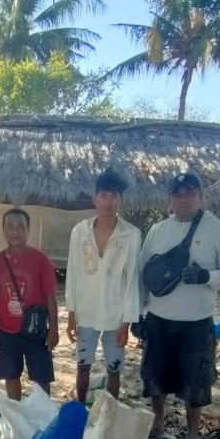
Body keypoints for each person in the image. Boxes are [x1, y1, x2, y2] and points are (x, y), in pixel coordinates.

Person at [139, 172, 220, 439]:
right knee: (155, 379)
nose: (183, 199)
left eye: (189, 192)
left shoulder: (218, 230)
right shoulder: (157, 231)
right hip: (158, 320)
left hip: (196, 323)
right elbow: (142, 275)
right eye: (177, 193)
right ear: (169, 198)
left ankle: (193, 437)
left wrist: (207, 276)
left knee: (195, 385)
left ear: (200, 196)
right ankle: (157, 425)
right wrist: (138, 313)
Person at [66, 168, 141, 403]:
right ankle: (80, 410)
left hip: (115, 313)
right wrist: (71, 312)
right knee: (83, 365)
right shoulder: (80, 231)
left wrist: (126, 322)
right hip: (86, 311)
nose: (108, 202)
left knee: (114, 368)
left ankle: (111, 412)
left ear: (119, 199)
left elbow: (132, 280)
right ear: (95, 198)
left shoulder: (130, 234)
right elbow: (73, 272)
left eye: (113, 196)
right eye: (104, 195)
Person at [0, 208, 59, 400]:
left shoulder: (41, 260)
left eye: (20, 226)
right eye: (10, 226)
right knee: (11, 377)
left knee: (41, 379)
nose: (15, 231)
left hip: (35, 332)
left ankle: (43, 419)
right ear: (3, 230)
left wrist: (54, 329)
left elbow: (51, 298)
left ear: (28, 229)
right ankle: (16, 415)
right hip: (6, 332)